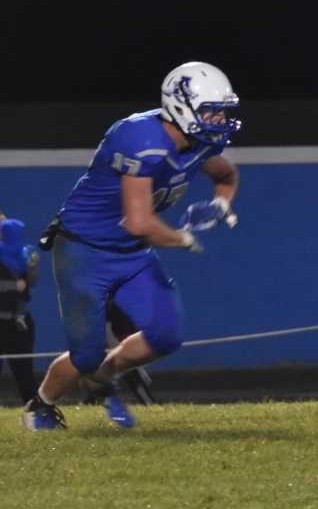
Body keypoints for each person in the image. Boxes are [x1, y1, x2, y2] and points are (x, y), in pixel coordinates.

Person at [23, 61, 242, 431]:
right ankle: (40, 405)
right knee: (85, 355)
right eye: (212, 111)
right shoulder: (141, 139)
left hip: (132, 253)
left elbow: (226, 175)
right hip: (85, 251)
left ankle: (102, 377)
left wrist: (220, 205)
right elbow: (139, 223)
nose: (220, 120)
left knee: (166, 335)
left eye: (223, 111)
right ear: (181, 105)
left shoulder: (198, 143)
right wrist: (183, 238)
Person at [0, 216, 41, 403]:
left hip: (18, 320)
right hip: (10, 318)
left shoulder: (24, 253)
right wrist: (13, 285)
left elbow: (31, 281)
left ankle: (34, 408)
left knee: (24, 370)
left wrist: (31, 267)